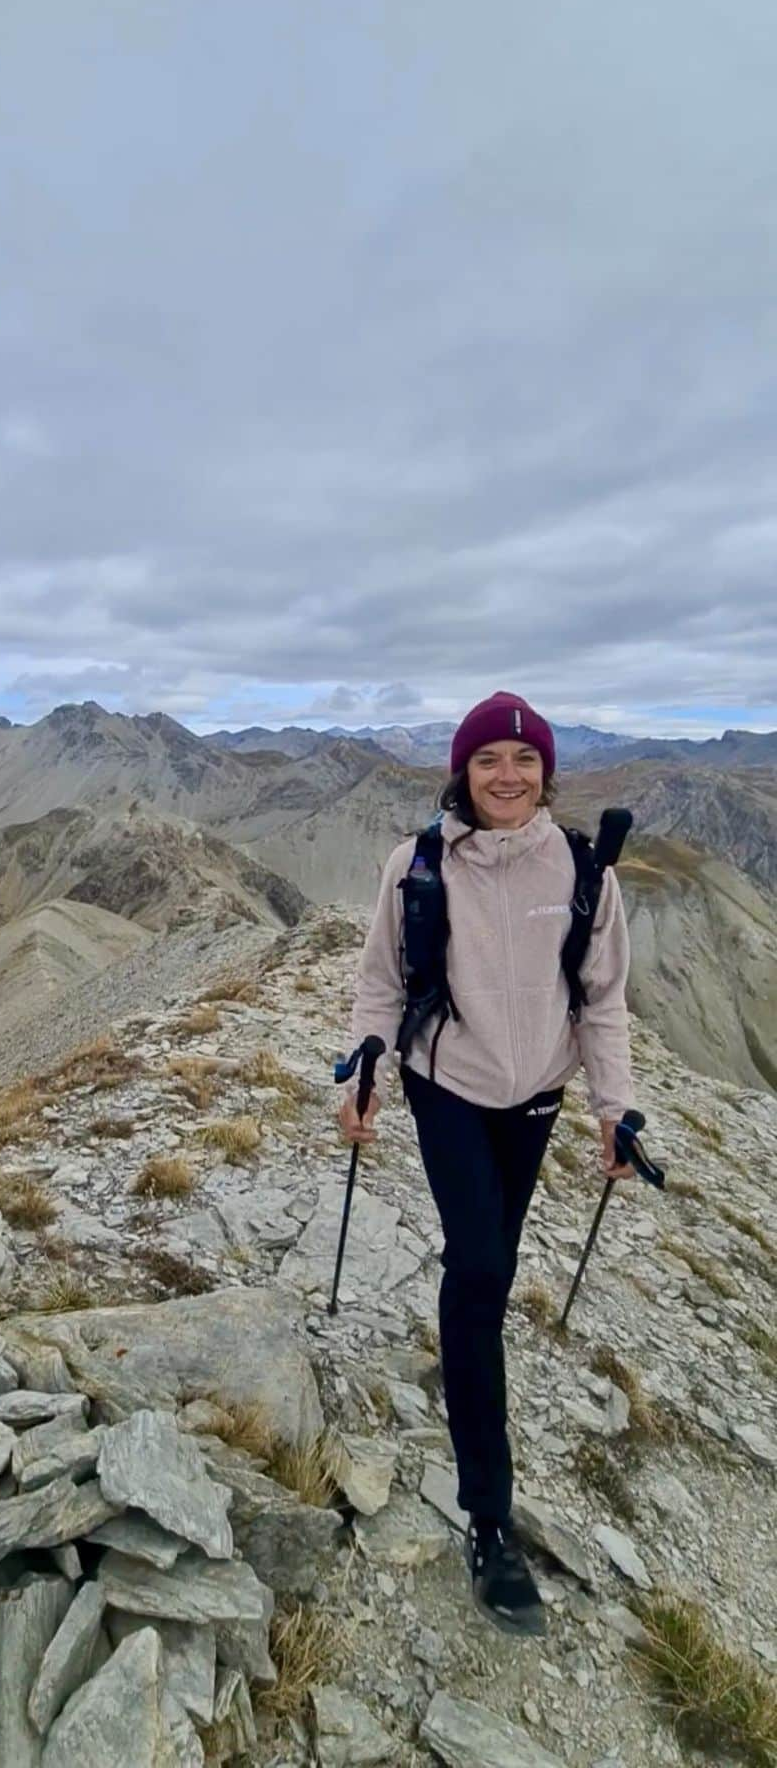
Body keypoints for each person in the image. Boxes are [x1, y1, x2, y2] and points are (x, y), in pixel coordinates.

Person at [337, 690, 636, 1637]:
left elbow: (603, 1000)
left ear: (546, 772)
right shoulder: (416, 865)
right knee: (481, 1267)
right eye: (487, 761)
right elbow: (381, 981)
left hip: (538, 1094)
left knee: (486, 1274)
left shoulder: (584, 873)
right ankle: (488, 1515)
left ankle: (466, 1341)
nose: (507, 777)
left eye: (524, 760)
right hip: (449, 1086)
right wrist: (365, 1066)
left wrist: (613, 1108)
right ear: (461, 773)